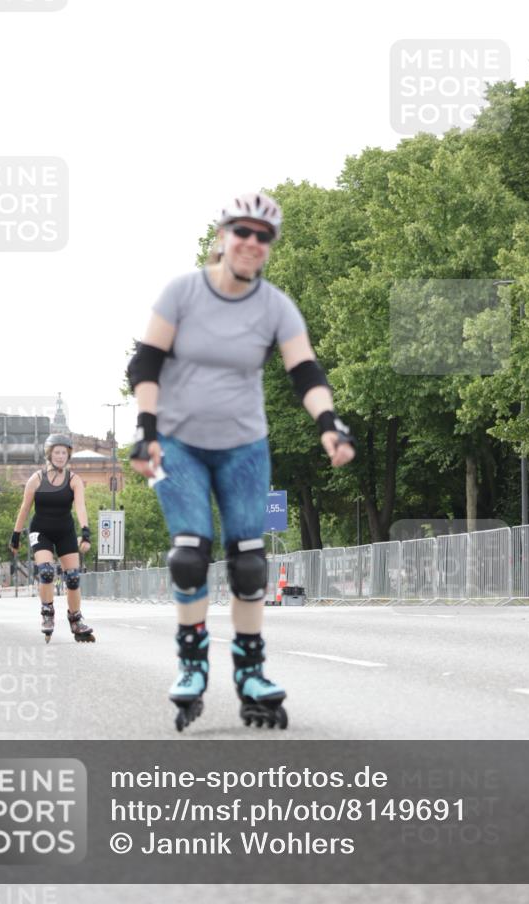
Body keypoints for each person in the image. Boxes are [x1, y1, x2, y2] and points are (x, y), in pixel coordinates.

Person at [128, 191, 355, 730]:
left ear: (270, 246)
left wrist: (329, 424)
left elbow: (305, 372)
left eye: (263, 236)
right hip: (177, 445)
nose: (252, 243)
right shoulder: (183, 292)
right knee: (189, 555)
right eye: (243, 232)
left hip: (245, 446)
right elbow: (146, 362)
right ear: (223, 236)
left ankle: (251, 672)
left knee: (250, 562)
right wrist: (146, 432)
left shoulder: (275, 306)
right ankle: (191, 664)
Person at [9, 432, 95, 643]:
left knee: (73, 577)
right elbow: (24, 508)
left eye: (64, 453)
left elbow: (80, 506)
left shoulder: (74, 480)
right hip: (41, 531)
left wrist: (85, 531)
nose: (60, 456)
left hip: (65, 531)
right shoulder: (36, 479)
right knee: (46, 572)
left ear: (68, 455)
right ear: (49, 454)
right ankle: (47, 614)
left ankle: (75, 620)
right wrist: (16, 535)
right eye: (57, 452)